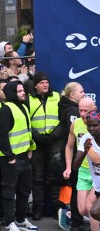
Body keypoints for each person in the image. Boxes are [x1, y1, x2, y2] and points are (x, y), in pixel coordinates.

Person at [63, 97, 100, 231]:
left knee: (91, 208)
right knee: (82, 210)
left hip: (98, 172)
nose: (83, 114)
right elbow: (69, 146)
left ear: (94, 109)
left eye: (87, 111)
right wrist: (69, 167)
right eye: (80, 110)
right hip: (83, 171)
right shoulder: (75, 124)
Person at [1, 81, 38, 231]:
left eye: (23, 90)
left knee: (24, 190)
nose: (24, 93)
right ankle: (9, 223)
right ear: (11, 93)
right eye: (20, 91)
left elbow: (26, 132)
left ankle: (21, 220)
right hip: (10, 159)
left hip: (24, 157)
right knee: (9, 191)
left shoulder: (23, 107)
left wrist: (30, 149)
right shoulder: (6, 110)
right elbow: (2, 135)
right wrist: (10, 157)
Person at [28, 72, 62, 219]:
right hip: (37, 144)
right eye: (42, 82)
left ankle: (57, 210)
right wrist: (38, 137)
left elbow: (63, 119)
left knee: (55, 176)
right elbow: (26, 121)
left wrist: (52, 136)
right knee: (37, 178)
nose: (45, 85)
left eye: (46, 82)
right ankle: (37, 209)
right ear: (35, 85)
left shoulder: (57, 97)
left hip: (54, 142)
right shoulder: (29, 100)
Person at [56, 81, 87, 231]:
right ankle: (76, 222)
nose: (84, 94)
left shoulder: (66, 108)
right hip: (76, 157)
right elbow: (73, 140)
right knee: (78, 189)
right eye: (81, 92)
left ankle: (78, 218)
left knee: (78, 189)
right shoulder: (73, 112)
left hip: (76, 156)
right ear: (72, 95)